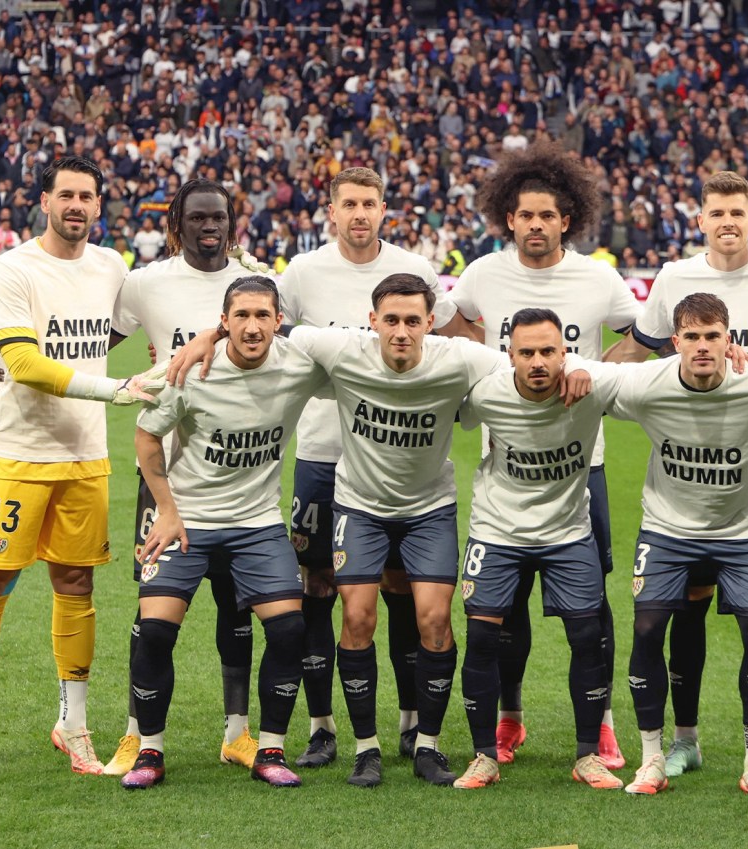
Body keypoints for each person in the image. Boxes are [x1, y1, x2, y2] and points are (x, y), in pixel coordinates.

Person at [167, 274, 552, 787]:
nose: (401, 331)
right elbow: (261, 329)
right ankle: (365, 748)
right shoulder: (340, 347)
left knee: (435, 621)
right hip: (360, 508)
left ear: (429, 322)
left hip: (429, 509)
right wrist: (206, 337)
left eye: (412, 321)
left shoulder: (460, 358)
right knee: (357, 617)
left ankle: (428, 746)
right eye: (390, 320)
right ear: (371, 321)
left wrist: (575, 372)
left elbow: (530, 364)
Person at [605, 170, 748, 777]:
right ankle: (685, 739)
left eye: (739, 211)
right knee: (686, 604)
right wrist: (570, 368)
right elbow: (639, 348)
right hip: (688, 478)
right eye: (717, 212)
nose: (728, 222)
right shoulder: (676, 278)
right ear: (700, 219)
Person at [448, 138, 643, 770]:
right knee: (504, 609)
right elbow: (456, 331)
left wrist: (590, 373)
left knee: (592, 604)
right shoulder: (482, 274)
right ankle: (509, 717)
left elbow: (640, 337)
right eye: (524, 215)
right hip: (507, 459)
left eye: (547, 215)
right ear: (509, 217)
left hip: (583, 463)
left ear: (568, 219)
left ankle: (604, 724)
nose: (535, 225)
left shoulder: (597, 277)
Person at [276, 167, 478, 770]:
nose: (359, 214)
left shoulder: (414, 271)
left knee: (403, 595)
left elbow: (448, 343)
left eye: (369, 204)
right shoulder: (304, 271)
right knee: (322, 591)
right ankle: (322, 727)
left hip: (409, 466)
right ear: (331, 211)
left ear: (383, 209)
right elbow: (270, 334)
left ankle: (415, 726)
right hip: (323, 453)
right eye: (348, 205)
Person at [0, 156, 130, 781]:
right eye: (67, 195)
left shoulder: (112, 266)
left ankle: (74, 726)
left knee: (77, 586)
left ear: (99, 204)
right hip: (17, 453)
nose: (77, 206)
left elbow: (104, 335)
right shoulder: (13, 268)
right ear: (45, 200)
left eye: (88, 196)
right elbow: (27, 364)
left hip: (84, 457)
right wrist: (111, 390)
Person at [122, 277, 328, 790]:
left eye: (263, 315)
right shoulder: (194, 371)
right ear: (224, 321)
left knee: (287, 630)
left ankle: (269, 748)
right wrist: (167, 509)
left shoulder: (300, 365)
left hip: (257, 524)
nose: (253, 326)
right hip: (188, 522)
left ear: (280, 320)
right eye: (242, 316)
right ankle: (150, 751)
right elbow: (147, 436)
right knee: (154, 633)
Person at [604, 293, 748, 797]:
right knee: (649, 629)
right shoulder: (647, 384)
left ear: (728, 340)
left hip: (742, 533)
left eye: (712, 336)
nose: (701, 346)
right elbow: (587, 380)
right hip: (667, 530)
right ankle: (652, 758)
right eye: (691, 337)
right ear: (675, 343)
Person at [103, 179, 273, 776]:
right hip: (163, 478)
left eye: (219, 218)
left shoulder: (254, 281)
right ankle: (136, 733)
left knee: (236, 607)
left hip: (237, 479)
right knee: (152, 611)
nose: (210, 228)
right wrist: (10, 363)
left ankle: (238, 732)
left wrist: (214, 331)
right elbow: (95, 343)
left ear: (233, 221)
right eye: (198, 218)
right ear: (176, 223)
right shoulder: (148, 283)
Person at [452, 308, 622, 792]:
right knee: (483, 639)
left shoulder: (591, 388)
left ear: (565, 353)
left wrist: (593, 370)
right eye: (526, 352)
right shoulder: (486, 394)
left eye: (548, 351)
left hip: (568, 532)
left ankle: (588, 754)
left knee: (588, 637)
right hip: (497, 531)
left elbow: (649, 373)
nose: (538, 362)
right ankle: (484, 755)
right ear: (510, 356)